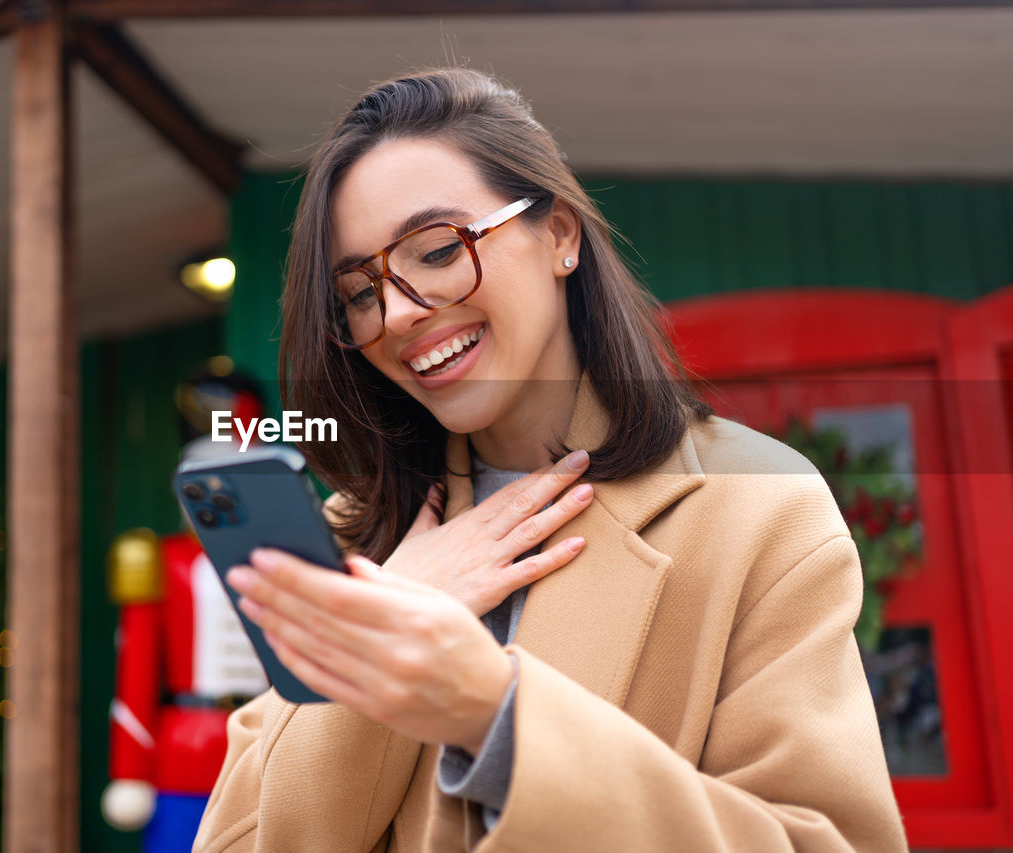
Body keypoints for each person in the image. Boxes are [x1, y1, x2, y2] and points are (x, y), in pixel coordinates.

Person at [193, 68, 907, 852]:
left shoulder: (760, 508)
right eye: (360, 293)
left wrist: (495, 713)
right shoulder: (355, 534)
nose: (398, 313)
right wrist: (392, 608)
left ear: (560, 235)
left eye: (437, 250)